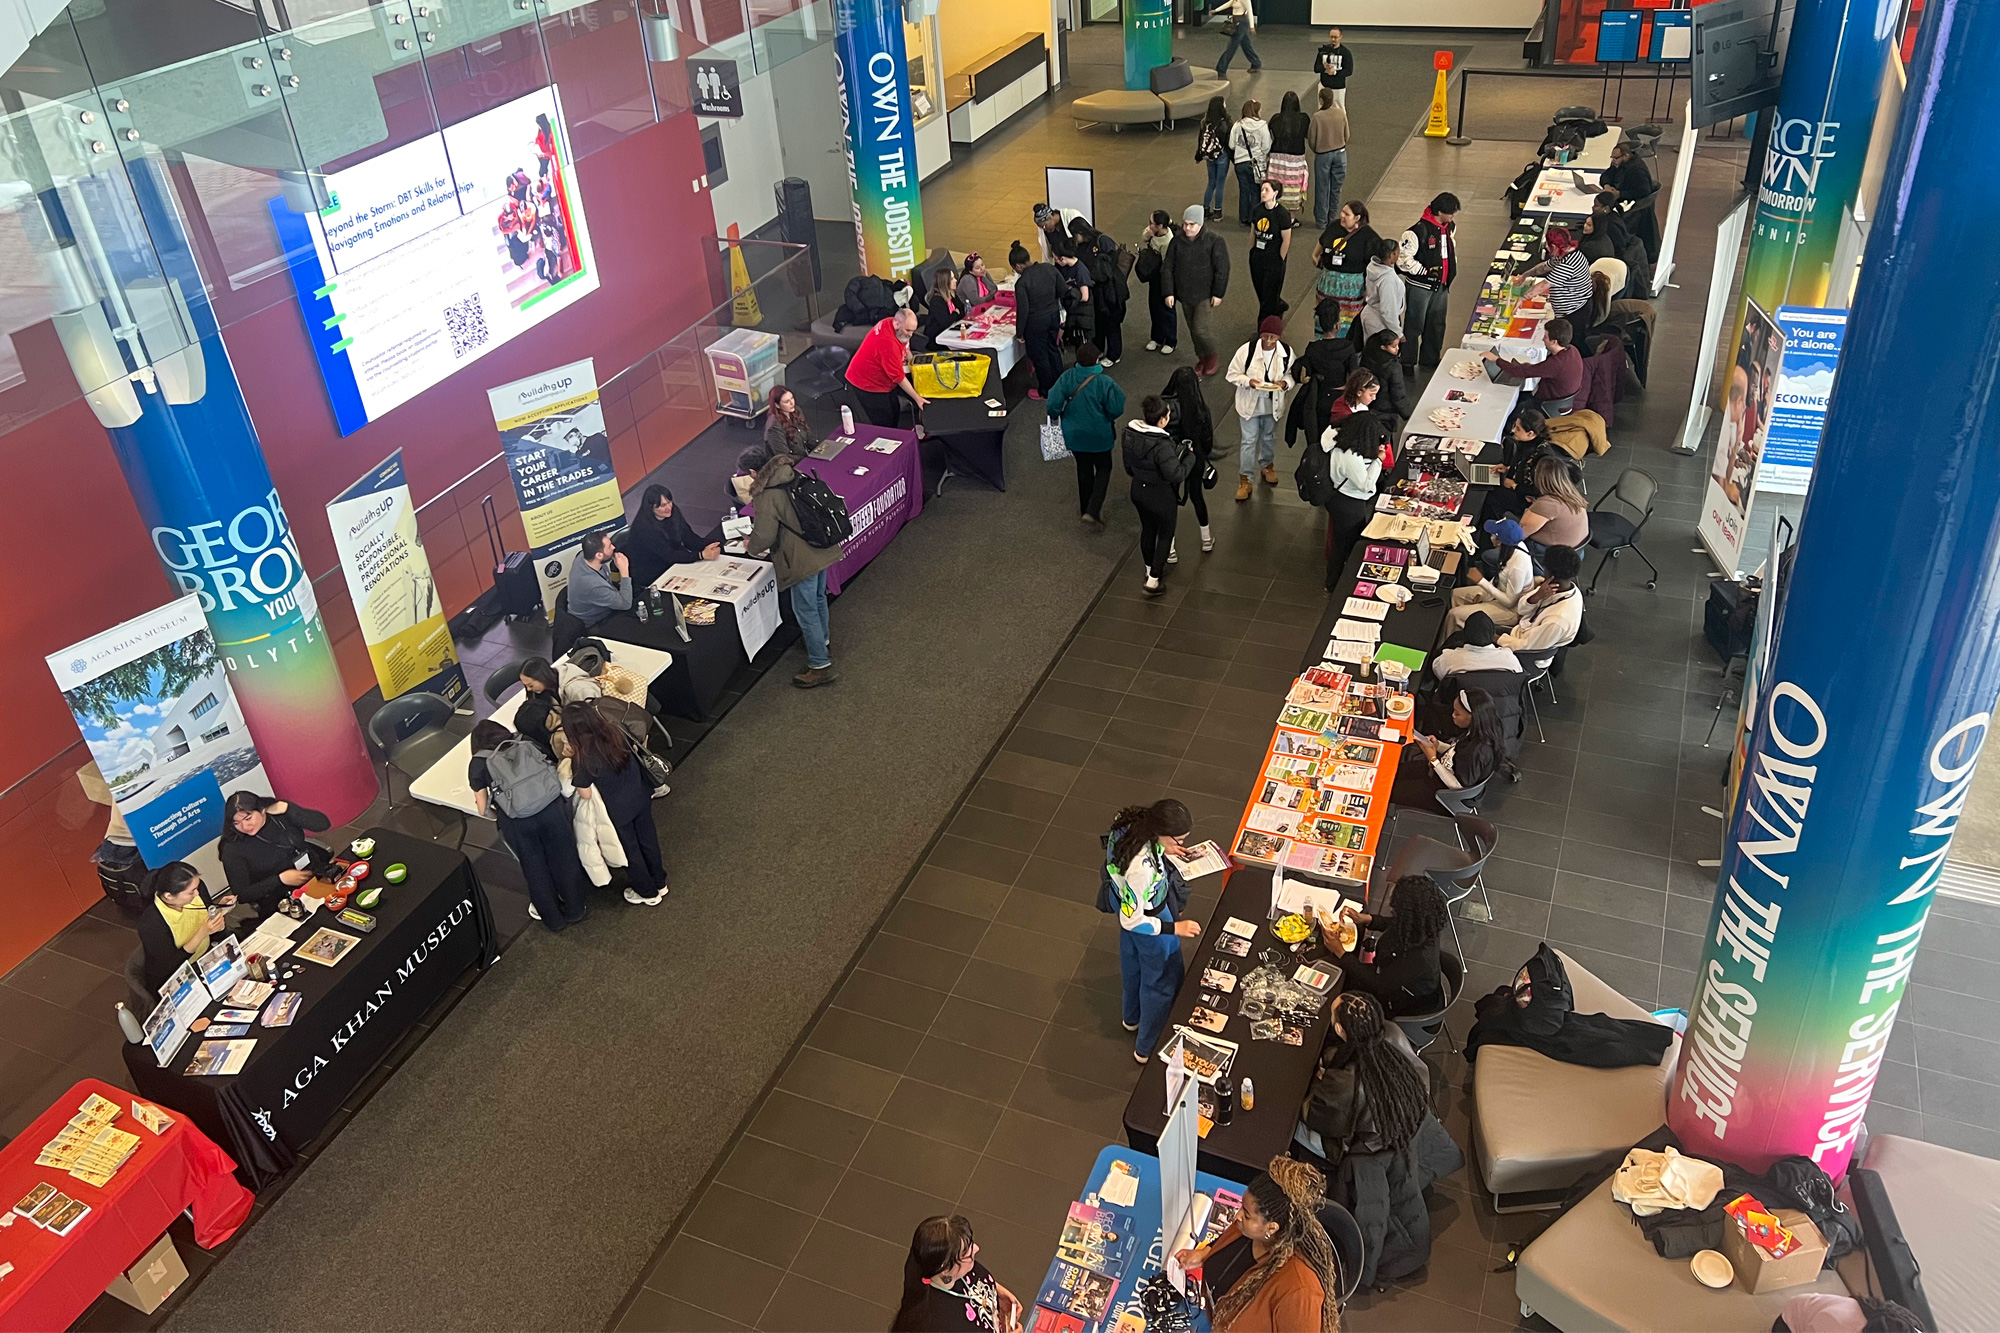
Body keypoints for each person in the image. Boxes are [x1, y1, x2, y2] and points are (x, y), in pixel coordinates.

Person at [1173, 1157, 1340, 1333]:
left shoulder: (1300, 1290)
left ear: (1271, 1227)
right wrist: (1204, 1254)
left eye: (1246, 1214)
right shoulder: (1246, 1229)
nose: (1237, 1216)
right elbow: (1225, 1247)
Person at [1103, 799, 1201, 1058]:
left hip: (1125, 904)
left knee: (1133, 969)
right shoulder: (1141, 870)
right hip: (1149, 921)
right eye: (1177, 840)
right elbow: (1133, 920)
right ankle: (1146, 1047)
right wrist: (1174, 928)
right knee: (1160, 983)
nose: (1179, 845)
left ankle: (1131, 1018)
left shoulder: (1130, 827)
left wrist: (1165, 850)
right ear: (1161, 832)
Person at [470, 719, 590, 930]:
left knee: (534, 868)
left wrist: (498, 814)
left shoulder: (479, 763)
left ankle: (554, 920)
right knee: (564, 858)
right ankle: (576, 909)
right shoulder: (524, 741)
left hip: (517, 822)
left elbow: (482, 808)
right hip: (551, 808)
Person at [1295, 992, 1434, 1172]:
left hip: (1360, 1149)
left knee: (1290, 1124)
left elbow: (1315, 1118)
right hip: (1397, 1126)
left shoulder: (1344, 1082)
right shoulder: (1392, 1031)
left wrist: (1319, 1080)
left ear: (1338, 1029)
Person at [748, 453, 845, 688]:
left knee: (805, 609)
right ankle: (822, 640)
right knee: (819, 598)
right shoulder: (794, 475)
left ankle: (819, 664)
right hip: (823, 548)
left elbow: (765, 536)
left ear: (754, 473)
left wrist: (750, 547)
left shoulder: (767, 496)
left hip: (801, 559)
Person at [563, 701, 666, 906]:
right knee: (648, 839)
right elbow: (636, 745)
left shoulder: (583, 756)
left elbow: (584, 793)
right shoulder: (616, 728)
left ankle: (648, 892)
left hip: (617, 810)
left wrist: (570, 757)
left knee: (631, 850)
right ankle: (660, 881)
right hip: (640, 793)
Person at [1327, 882, 1449, 1017]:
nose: (1393, 913)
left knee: (1337, 984)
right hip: (1392, 977)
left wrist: (1341, 953)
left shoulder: (1418, 958)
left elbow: (1380, 984)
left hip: (1405, 1004)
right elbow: (1398, 923)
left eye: (1395, 911)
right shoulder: (1424, 925)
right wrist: (1367, 919)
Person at [890, 1215, 1023, 1333]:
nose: (976, 1249)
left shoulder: (925, 1256)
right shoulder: (942, 1324)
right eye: (966, 1253)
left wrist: (995, 1291)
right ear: (946, 1269)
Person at [1047, 342, 1127, 525]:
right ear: (1096, 361)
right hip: (1100, 435)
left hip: (1074, 435)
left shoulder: (1067, 377)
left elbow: (1053, 404)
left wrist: (1056, 415)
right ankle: (1093, 509)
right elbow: (1116, 407)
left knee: (1083, 469)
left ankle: (1085, 507)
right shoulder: (1105, 382)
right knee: (1104, 469)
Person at [218, 792, 333, 915]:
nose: (245, 826)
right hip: (279, 899)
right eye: (236, 823)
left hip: (314, 875)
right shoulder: (232, 848)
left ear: (262, 810)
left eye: (248, 818)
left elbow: (323, 824)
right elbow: (242, 894)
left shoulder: (278, 816)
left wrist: (289, 808)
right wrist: (280, 879)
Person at [1392, 686, 1505, 808]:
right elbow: (1456, 750)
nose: (1452, 715)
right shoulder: (1476, 731)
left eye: (1457, 713)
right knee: (1392, 771)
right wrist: (1438, 745)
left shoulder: (1477, 753)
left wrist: (1434, 760)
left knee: (1390, 789)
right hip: (1439, 771)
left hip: (1444, 793)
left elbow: (1457, 786)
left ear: (1473, 717)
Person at [1123, 397, 1192, 596]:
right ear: (1162, 420)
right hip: (1160, 495)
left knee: (1148, 529)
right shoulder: (1162, 444)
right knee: (1165, 533)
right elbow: (1176, 474)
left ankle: (1147, 570)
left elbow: (1128, 467)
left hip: (1138, 490)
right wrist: (1190, 458)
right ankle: (1154, 581)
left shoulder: (1129, 434)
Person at [135, 862, 234, 994]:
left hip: (207, 956)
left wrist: (218, 910)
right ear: (169, 896)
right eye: (191, 892)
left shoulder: (197, 890)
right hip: (178, 975)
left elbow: (207, 918)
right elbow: (171, 965)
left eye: (197, 887)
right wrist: (202, 933)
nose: (197, 894)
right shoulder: (151, 924)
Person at [1227, 316, 1294, 500]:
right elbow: (1232, 374)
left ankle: (1267, 465)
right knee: (1248, 441)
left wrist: (1284, 383)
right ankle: (1245, 479)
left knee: (1269, 437)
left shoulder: (1286, 352)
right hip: (1250, 404)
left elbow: (1291, 375)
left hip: (1272, 405)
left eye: (1273, 337)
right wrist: (1249, 381)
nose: (1269, 341)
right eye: (1266, 336)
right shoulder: (1246, 350)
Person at [1162, 205, 1230, 376]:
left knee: (1201, 329)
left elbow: (1222, 269)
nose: (1187, 228)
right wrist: (1169, 292)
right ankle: (1202, 358)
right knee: (1193, 329)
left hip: (1204, 294)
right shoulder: (1177, 241)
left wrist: (1218, 293)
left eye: (1192, 224)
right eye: (1185, 224)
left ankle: (1212, 355)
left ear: (1200, 224)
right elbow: (1168, 267)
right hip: (1184, 294)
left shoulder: (1214, 241)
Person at [1321, 411, 1386, 588]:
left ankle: (1336, 581)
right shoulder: (1350, 456)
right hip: (1348, 503)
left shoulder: (1342, 443)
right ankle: (1335, 584)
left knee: (1342, 544)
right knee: (1344, 547)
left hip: (1342, 499)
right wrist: (1378, 461)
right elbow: (1365, 484)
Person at [1395, 192, 1459, 370]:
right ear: (1440, 212)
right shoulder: (1416, 232)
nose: (1453, 216)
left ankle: (1430, 359)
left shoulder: (1449, 227)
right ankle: (1407, 361)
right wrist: (1424, 272)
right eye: (1451, 212)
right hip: (1420, 287)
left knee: (1437, 324)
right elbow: (1403, 259)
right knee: (1414, 325)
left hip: (1442, 286)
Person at [622, 484, 720, 590]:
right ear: (651, 507)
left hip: (672, 560)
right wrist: (701, 555)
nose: (668, 508)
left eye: (669, 502)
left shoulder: (673, 512)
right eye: (663, 505)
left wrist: (712, 544)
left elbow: (689, 537)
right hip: (653, 571)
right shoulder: (644, 528)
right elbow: (668, 555)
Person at [1448, 519, 1536, 632]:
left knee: (1455, 615)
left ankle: (1448, 644)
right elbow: (1501, 576)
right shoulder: (1512, 547)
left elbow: (1509, 602)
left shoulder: (1517, 567)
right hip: (1499, 590)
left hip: (1512, 610)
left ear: (1499, 541)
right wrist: (1485, 594)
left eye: (1493, 534)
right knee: (1455, 594)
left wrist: (1481, 581)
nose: (1491, 536)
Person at [845, 307, 928, 426]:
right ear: (897, 323)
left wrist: (915, 365)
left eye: (913, 331)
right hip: (867, 383)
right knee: (885, 421)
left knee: (894, 410)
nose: (911, 334)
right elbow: (898, 377)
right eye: (908, 330)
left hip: (883, 378)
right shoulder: (888, 344)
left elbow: (905, 346)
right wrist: (917, 398)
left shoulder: (892, 323)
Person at [1163, 365, 1216, 552]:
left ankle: (1169, 548)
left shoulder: (1165, 406)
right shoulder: (1200, 408)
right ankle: (1206, 538)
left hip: (1170, 458)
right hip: (1195, 457)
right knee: (1196, 495)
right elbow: (1208, 439)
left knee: (1170, 502)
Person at [1496, 545, 1585, 656]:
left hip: (1525, 653)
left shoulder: (1557, 621)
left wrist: (1495, 639)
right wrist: (1537, 596)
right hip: (1522, 629)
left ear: (1548, 573)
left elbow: (1525, 647)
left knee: (1477, 632)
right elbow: (1521, 609)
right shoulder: (1561, 588)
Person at [1482, 317, 1583, 413]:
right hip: (1561, 401)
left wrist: (1496, 359)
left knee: (1509, 407)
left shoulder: (1556, 364)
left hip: (1547, 404)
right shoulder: (1572, 350)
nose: (1543, 339)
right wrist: (1530, 367)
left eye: (1545, 337)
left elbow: (1519, 372)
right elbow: (1542, 369)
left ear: (1554, 342)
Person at [1291, 302, 1357, 447]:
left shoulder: (1313, 348)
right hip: (1340, 399)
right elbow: (1354, 376)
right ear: (1337, 325)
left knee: (1320, 441)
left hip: (1319, 398)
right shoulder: (1347, 348)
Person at [1311, 201, 1378, 338]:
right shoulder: (1334, 226)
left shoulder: (1368, 236)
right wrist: (1315, 255)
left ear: (1357, 218)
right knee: (1324, 318)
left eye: (1347, 214)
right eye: (1342, 212)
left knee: (1347, 324)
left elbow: (1374, 264)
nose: (1342, 215)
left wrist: (1368, 287)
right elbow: (1322, 241)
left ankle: (1345, 348)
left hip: (1351, 290)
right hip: (1328, 285)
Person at [1010, 240, 1067, 399]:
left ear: (1018, 266)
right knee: (1053, 349)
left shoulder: (1022, 283)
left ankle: (1046, 391)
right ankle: (1060, 383)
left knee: (1040, 357)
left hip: (1035, 324)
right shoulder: (1049, 268)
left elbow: (1023, 310)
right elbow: (1062, 290)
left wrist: (1019, 333)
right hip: (1053, 316)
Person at [1601, 139, 1660, 262]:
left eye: (1615, 158)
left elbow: (1643, 191)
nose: (1613, 161)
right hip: (1620, 198)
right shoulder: (1619, 163)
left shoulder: (1637, 170)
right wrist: (1606, 185)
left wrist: (1620, 194)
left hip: (1633, 206)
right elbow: (1607, 174)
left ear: (1626, 156)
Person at [1516, 455, 1589, 552]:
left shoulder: (1547, 504)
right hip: (1575, 551)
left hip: (1549, 553)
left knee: (1491, 555)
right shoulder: (1573, 494)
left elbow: (1519, 534)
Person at [1246, 178, 1293, 320]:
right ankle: (1278, 305)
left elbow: (1286, 240)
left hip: (1274, 260)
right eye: (1262, 189)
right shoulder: (1258, 210)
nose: (1263, 193)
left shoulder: (1282, 214)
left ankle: (1263, 327)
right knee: (1261, 292)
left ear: (1275, 193)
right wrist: (1252, 250)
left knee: (1269, 296)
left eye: (1267, 190)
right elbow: (1253, 231)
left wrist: (1280, 259)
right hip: (1258, 257)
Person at [1525, 227, 1592, 323]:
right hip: (1572, 308)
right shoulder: (1565, 254)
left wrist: (1522, 298)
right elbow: (1545, 267)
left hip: (1573, 312)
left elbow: (1543, 285)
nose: (1546, 248)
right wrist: (1525, 275)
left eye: (1547, 245)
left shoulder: (1568, 264)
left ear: (1554, 246)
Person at [567, 529, 632, 627]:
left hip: (602, 602)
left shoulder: (583, 556)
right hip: (596, 622)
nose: (613, 547)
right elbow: (626, 604)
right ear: (599, 555)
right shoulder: (593, 585)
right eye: (610, 546)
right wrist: (624, 571)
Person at [1432, 609, 1523, 678]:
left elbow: (1438, 674)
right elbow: (1518, 677)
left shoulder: (1447, 659)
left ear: (1464, 634)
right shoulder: (1509, 658)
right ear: (1493, 635)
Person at [1306, 88, 1349, 231]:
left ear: (1321, 99)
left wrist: (1317, 149)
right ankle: (1333, 218)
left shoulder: (1317, 117)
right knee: (1336, 188)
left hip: (1323, 155)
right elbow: (1347, 135)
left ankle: (1321, 220)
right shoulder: (1340, 114)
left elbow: (1311, 138)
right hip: (1340, 153)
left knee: (1322, 187)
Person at [1137, 210, 1178, 353]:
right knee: (1154, 307)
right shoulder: (1153, 232)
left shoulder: (1168, 241)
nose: (1149, 226)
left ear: (1160, 226)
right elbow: (1144, 236)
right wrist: (1148, 235)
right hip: (1154, 277)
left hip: (1165, 279)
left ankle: (1170, 340)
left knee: (1167, 310)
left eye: (1151, 224)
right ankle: (1156, 337)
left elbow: (1168, 266)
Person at [1264, 90, 1311, 216]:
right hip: (1296, 160)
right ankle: (1291, 218)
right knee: (1293, 188)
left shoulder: (1275, 119)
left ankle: (1274, 213)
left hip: (1276, 160)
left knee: (1276, 186)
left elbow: (1271, 135)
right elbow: (1307, 135)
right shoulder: (1304, 119)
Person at [1085, 232, 1129, 363]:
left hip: (1111, 301)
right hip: (1104, 300)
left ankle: (1114, 355)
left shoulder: (1109, 276)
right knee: (1101, 325)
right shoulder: (1108, 271)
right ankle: (1100, 350)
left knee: (1112, 327)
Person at [1227, 98, 1270, 225]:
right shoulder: (1262, 126)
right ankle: (1254, 217)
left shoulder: (1237, 125)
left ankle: (1243, 218)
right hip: (1255, 163)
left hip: (1240, 163)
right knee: (1255, 190)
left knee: (1244, 190)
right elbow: (1266, 146)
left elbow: (1231, 145)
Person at [514, 656, 565, 761]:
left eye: (531, 685)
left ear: (543, 678)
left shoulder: (571, 689)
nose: (528, 689)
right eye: (525, 685)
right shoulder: (541, 695)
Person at [1358, 236, 1405, 345]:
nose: (1399, 255)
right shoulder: (1387, 280)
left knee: (1371, 351)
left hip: (1369, 315)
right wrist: (1398, 333)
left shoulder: (1373, 266)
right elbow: (1387, 310)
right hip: (1380, 323)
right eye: (1397, 252)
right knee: (1381, 357)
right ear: (1391, 254)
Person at [1361, 329, 1413, 428]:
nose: (1397, 349)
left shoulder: (1367, 358)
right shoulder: (1393, 366)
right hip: (1387, 411)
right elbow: (1398, 393)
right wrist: (1407, 414)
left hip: (1369, 405)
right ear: (1383, 347)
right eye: (1393, 346)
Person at [1195, 97, 1232, 221]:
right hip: (1222, 155)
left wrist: (1199, 155)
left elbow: (1201, 140)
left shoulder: (1205, 122)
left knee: (1211, 182)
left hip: (1209, 157)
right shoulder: (1225, 122)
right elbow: (1228, 142)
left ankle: (1205, 209)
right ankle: (1217, 210)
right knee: (1220, 183)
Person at [763, 385, 818, 461]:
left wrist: (818, 449)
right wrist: (806, 459)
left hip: (805, 457)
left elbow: (808, 434)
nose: (792, 403)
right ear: (777, 405)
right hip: (792, 465)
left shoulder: (796, 411)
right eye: (786, 401)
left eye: (792, 398)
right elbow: (784, 457)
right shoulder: (774, 428)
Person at [916, 260, 961, 351]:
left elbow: (962, 309)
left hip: (949, 333)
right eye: (952, 279)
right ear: (945, 282)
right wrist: (955, 313)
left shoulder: (950, 295)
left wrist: (954, 296)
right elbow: (946, 322)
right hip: (936, 339)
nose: (955, 280)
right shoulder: (937, 301)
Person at [1212, 0, 1262, 76]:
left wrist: (1252, 26)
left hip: (1241, 23)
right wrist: (1216, 10)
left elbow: (1250, 11)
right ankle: (1256, 63)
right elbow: (1228, 4)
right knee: (1246, 44)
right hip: (1236, 21)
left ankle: (1221, 69)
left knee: (1232, 46)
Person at [1315, 26, 1355, 107]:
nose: (1333, 39)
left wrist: (1335, 72)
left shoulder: (1346, 53)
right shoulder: (1323, 51)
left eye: (1335, 37)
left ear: (1341, 37)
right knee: (1322, 109)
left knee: (1339, 109)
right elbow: (1316, 68)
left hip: (1338, 87)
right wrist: (1325, 68)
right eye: (1331, 37)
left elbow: (1349, 70)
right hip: (1324, 86)